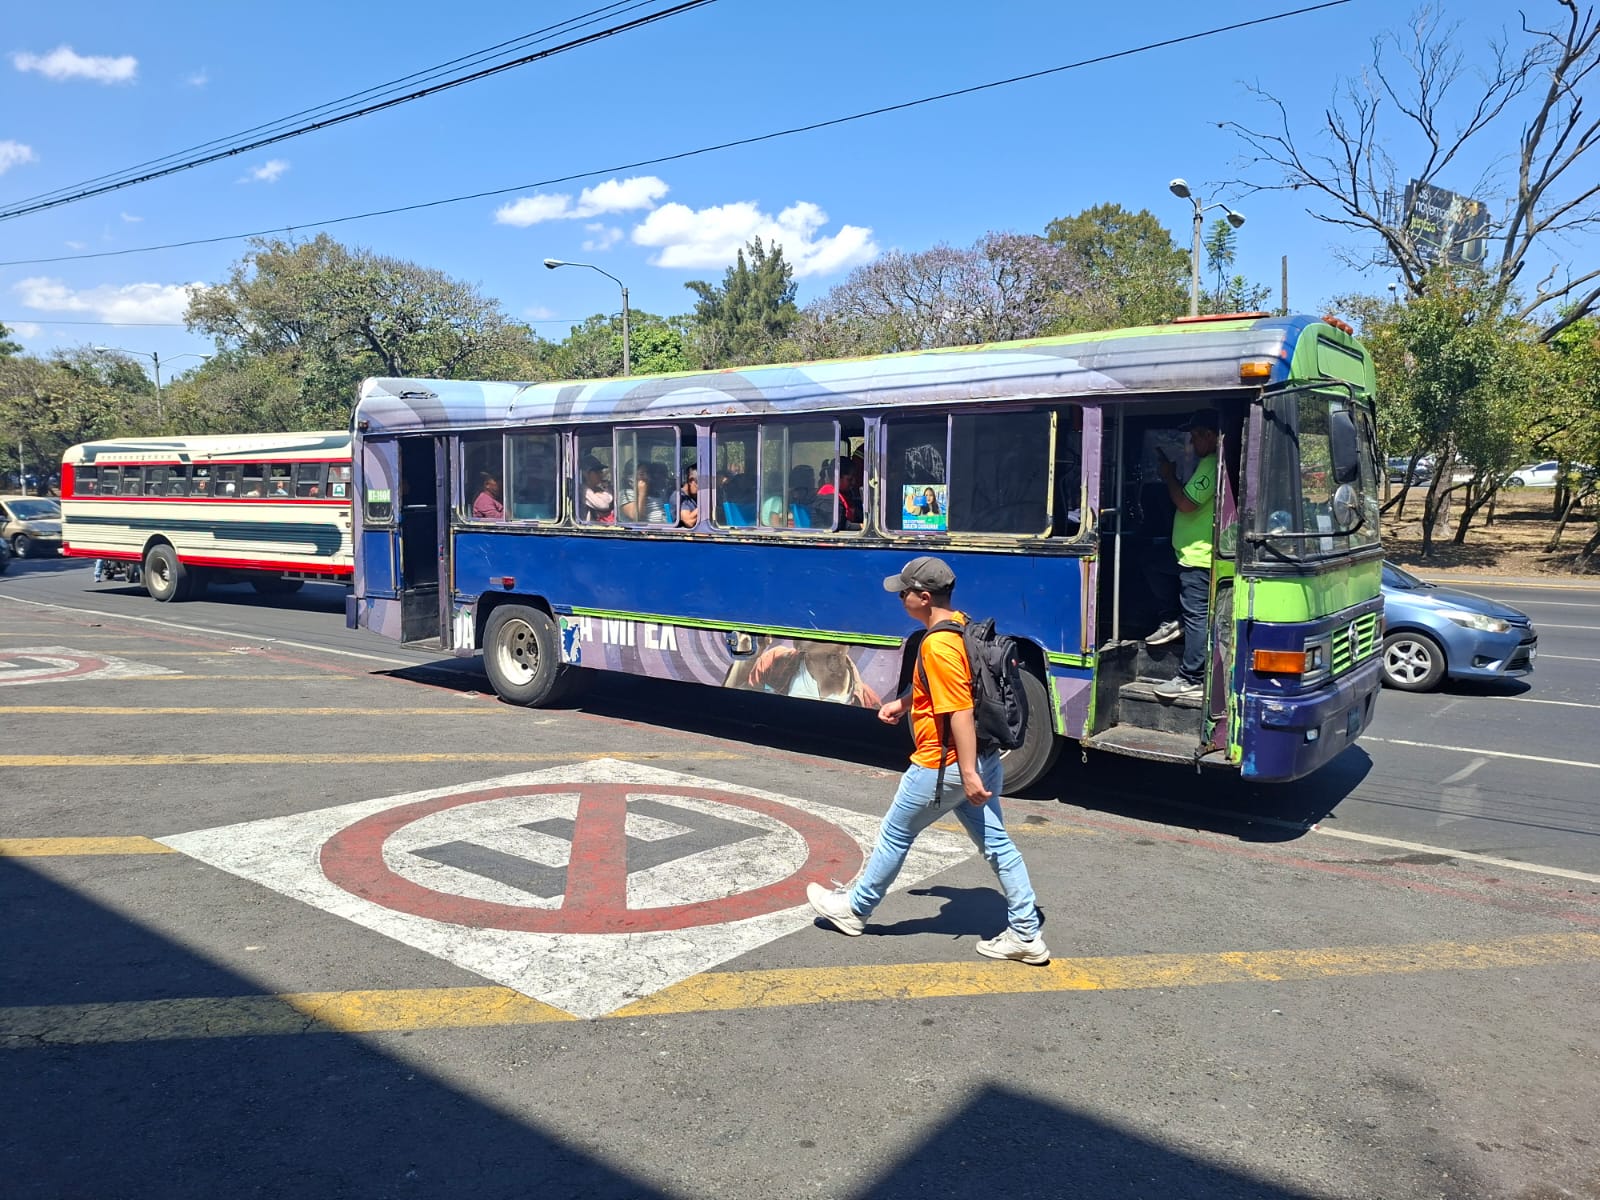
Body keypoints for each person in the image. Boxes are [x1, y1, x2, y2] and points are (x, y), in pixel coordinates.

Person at [806, 555, 1049, 964]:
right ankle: (1025, 932)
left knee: (895, 834)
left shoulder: (937, 645)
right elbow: (948, 689)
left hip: (943, 765)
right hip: (983, 759)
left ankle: (855, 909)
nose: (899, 598)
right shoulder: (961, 625)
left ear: (923, 597)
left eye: (904, 592)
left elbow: (960, 711)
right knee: (997, 845)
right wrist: (904, 703)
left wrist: (967, 773)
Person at [1149, 411, 1219, 700]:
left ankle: (1192, 677)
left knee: (1197, 616)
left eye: (1194, 436)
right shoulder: (1208, 463)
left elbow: (1186, 503)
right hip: (1188, 553)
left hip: (1199, 556)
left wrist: (1168, 476)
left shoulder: (1212, 464)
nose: (1191, 442)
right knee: (1152, 564)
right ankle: (1171, 619)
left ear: (1209, 435)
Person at [581, 457, 615, 523]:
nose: (600, 474)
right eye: (596, 472)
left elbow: (610, 498)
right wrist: (601, 494)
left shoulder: (599, 488)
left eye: (601, 471)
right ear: (585, 473)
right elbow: (603, 505)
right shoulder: (582, 490)